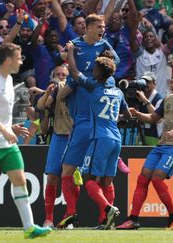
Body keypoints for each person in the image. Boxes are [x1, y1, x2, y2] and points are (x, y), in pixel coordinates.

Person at [0, 43, 52, 239]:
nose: (21, 61)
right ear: (7, 60)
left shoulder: (9, 80)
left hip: (7, 142)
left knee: (20, 180)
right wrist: (5, 131)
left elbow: (0, 112)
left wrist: (10, 129)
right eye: (19, 58)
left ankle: (29, 228)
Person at [117, 70, 173, 230]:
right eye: (172, 77)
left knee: (157, 178)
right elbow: (154, 118)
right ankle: (133, 219)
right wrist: (137, 114)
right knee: (143, 178)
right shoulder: (168, 99)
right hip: (162, 145)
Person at [57, 13, 119, 229]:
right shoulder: (75, 45)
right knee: (99, 176)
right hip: (101, 125)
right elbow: (64, 60)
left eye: (104, 25)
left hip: (87, 120)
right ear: (88, 27)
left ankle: (74, 212)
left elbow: (76, 71)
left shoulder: (104, 47)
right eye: (100, 26)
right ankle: (105, 217)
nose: (103, 29)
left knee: (69, 170)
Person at [66, 41, 132, 230]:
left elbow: (74, 71)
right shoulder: (118, 92)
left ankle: (108, 208)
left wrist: (71, 51)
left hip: (100, 138)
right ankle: (106, 222)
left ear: (98, 73)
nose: (92, 71)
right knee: (107, 181)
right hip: (116, 139)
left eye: (94, 68)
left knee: (90, 181)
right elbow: (126, 115)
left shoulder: (93, 86)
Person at [36, 65, 73, 228]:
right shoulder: (56, 90)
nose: (60, 77)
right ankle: (49, 219)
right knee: (52, 177)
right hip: (59, 136)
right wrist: (47, 93)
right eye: (58, 74)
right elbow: (40, 106)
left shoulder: (76, 87)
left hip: (75, 137)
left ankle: (69, 217)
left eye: (63, 74)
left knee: (71, 180)